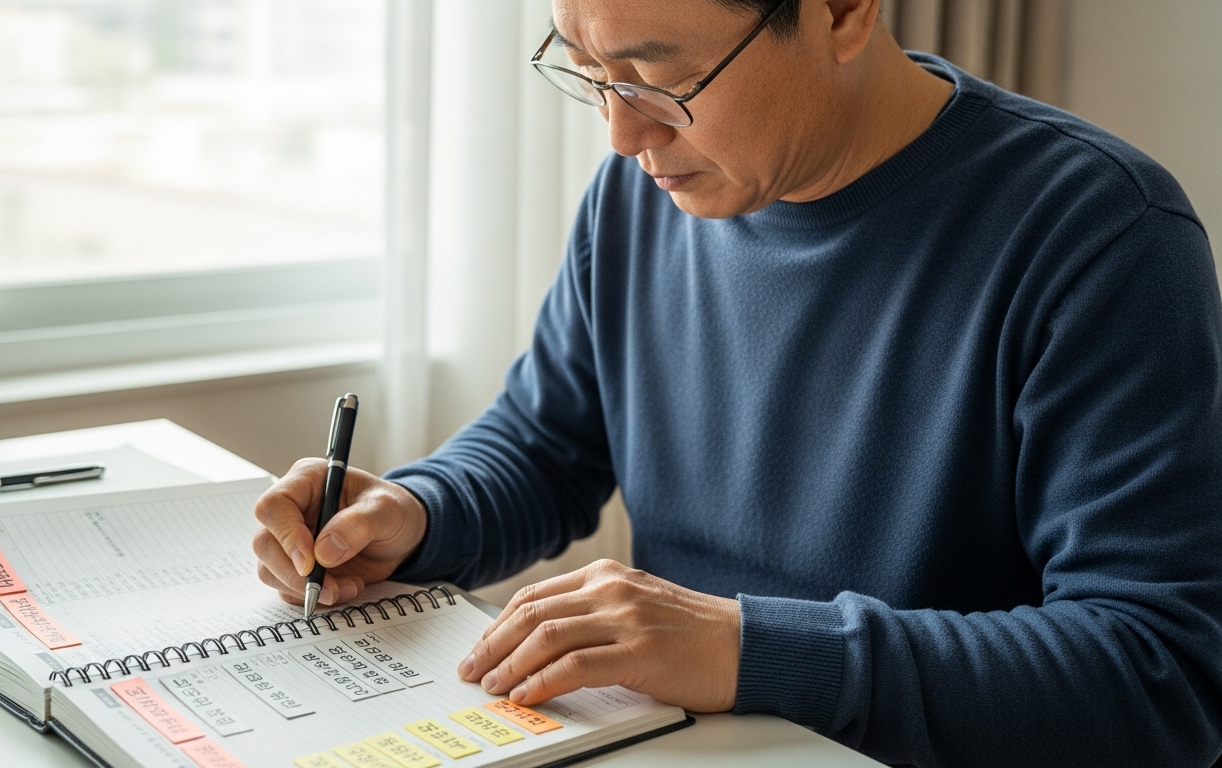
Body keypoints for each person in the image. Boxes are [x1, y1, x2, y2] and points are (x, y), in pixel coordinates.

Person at [253, 0, 1222, 764]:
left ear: (842, 9)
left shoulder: (1101, 235)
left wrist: (751, 650)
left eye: (655, 78)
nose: (621, 138)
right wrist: (416, 515)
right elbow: (545, 445)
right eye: (586, 72)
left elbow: (1154, 676)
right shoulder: (636, 199)